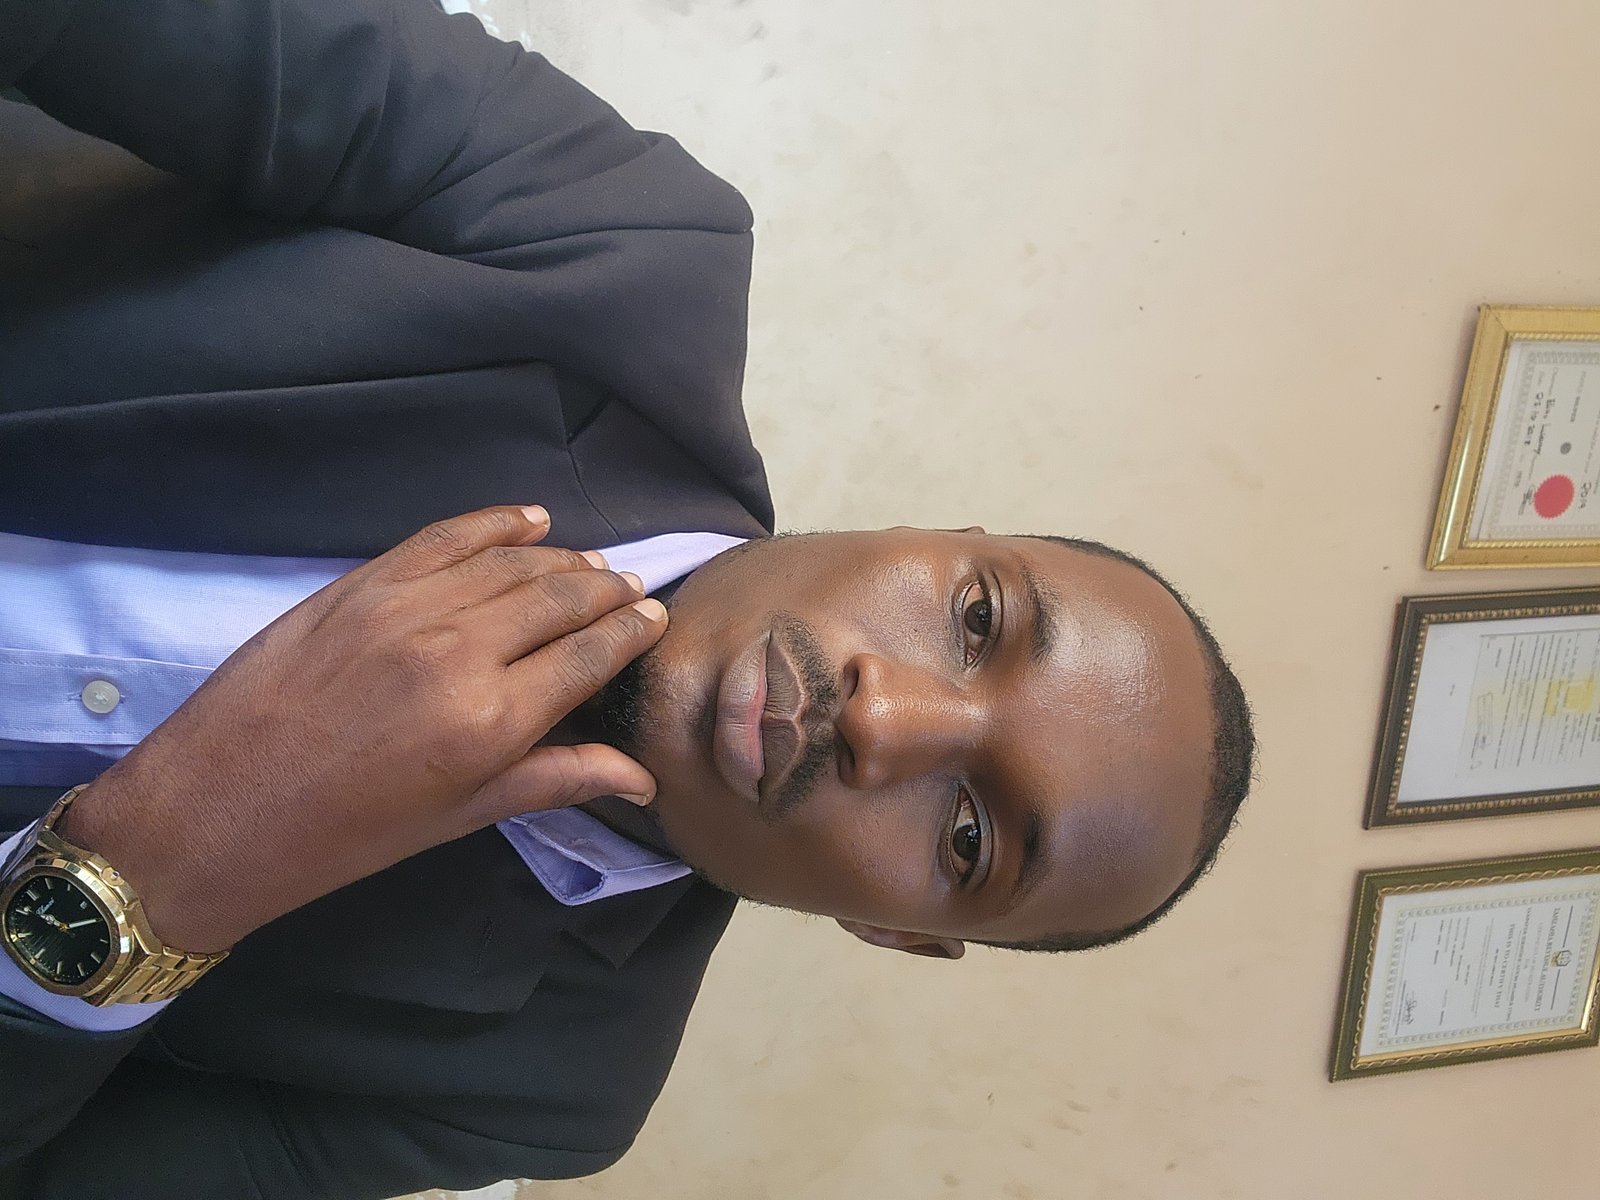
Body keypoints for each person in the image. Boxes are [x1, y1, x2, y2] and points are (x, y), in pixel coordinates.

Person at [0, 1, 1255, 1196]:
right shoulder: (618, 237)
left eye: (969, 838)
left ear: (894, 935)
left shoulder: (531, 1088)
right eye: (977, 622)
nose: (887, 720)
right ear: (939, 534)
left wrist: (165, 874)